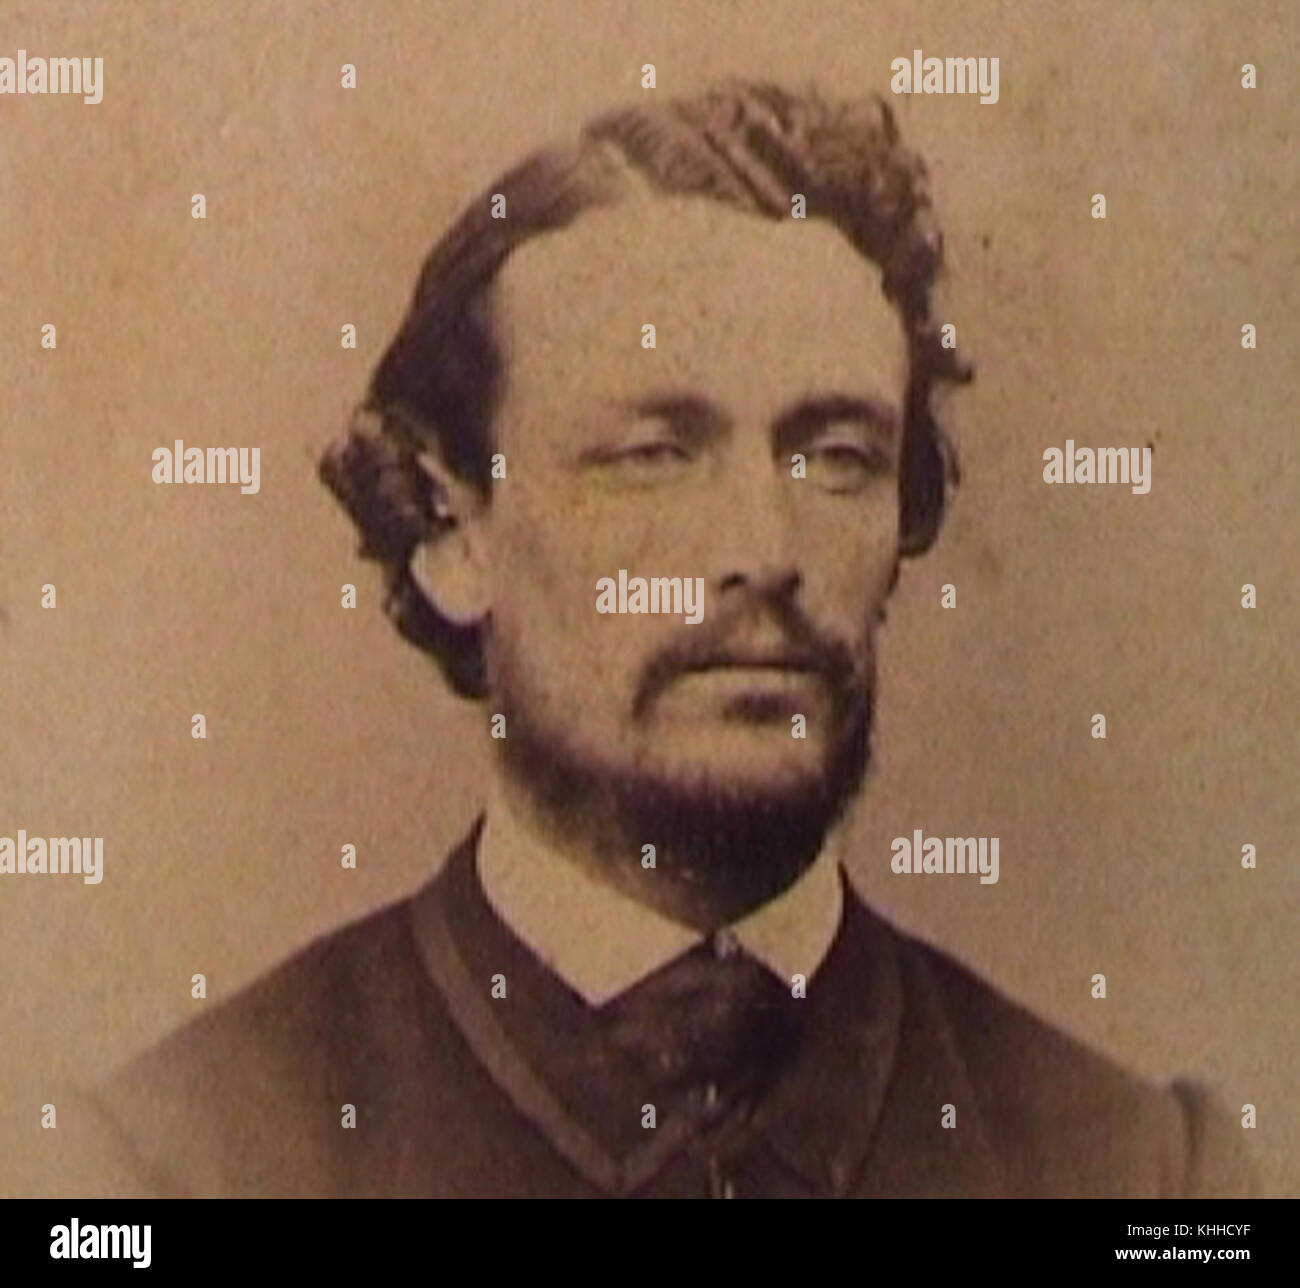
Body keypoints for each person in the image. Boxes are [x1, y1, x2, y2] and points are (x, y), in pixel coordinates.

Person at [15, 81, 1254, 1198]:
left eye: (835, 456)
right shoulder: (167, 1169)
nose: (765, 546)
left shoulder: (1145, 1176)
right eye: (653, 455)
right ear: (450, 528)